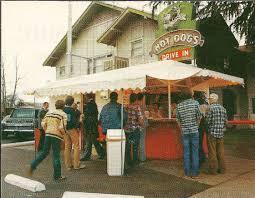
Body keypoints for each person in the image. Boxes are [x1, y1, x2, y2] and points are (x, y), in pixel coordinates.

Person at [28, 100, 67, 181]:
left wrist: (47, 130)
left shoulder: (49, 112)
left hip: (48, 134)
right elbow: (61, 127)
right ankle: (57, 176)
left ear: (55, 105)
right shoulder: (63, 114)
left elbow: (43, 123)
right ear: (63, 106)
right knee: (56, 156)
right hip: (56, 136)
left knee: (44, 152)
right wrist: (64, 135)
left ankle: (33, 165)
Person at [176, 90, 202, 179]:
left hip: (185, 132)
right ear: (190, 95)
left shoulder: (179, 106)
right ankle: (194, 173)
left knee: (186, 152)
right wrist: (196, 126)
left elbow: (178, 120)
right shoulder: (195, 103)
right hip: (194, 130)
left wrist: (182, 129)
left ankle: (187, 172)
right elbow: (199, 117)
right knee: (195, 151)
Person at [206, 93, 228, 174]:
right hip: (221, 133)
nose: (209, 100)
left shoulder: (210, 108)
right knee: (221, 151)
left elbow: (207, 121)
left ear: (212, 99)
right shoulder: (223, 108)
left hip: (212, 132)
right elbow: (226, 121)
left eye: (209, 99)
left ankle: (213, 170)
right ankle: (222, 169)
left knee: (212, 152)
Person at [63, 95, 86, 170]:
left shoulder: (63, 109)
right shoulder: (72, 110)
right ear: (72, 102)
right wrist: (79, 121)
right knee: (76, 146)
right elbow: (73, 121)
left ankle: (68, 165)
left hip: (65, 129)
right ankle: (76, 165)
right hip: (72, 129)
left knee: (67, 146)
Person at [81, 94, 105, 161]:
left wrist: (84, 118)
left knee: (89, 140)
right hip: (93, 125)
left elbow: (88, 115)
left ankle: (87, 156)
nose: (85, 98)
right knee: (94, 141)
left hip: (90, 126)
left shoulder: (89, 104)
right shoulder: (93, 104)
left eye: (85, 97)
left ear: (87, 97)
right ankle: (102, 153)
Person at [125, 93, 144, 167]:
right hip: (135, 129)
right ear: (136, 99)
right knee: (135, 147)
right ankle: (135, 162)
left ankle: (128, 162)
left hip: (127, 129)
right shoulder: (137, 107)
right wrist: (142, 124)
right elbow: (140, 120)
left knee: (128, 146)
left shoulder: (126, 107)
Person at [193, 91, 209, 167]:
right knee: (201, 142)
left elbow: (199, 117)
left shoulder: (197, 103)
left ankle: (200, 159)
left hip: (199, 126)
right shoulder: (206, 103)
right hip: (205, 125)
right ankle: (202, 158)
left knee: (198, 143)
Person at [137, 93, 147, 162]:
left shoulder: (136, 105)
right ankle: (142, 158)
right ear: (143, 98)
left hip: (137, 125)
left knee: (138, 142)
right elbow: (143, 117)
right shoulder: (142, 105)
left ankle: (139, 157)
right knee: (142, 141)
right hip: (142, 124)